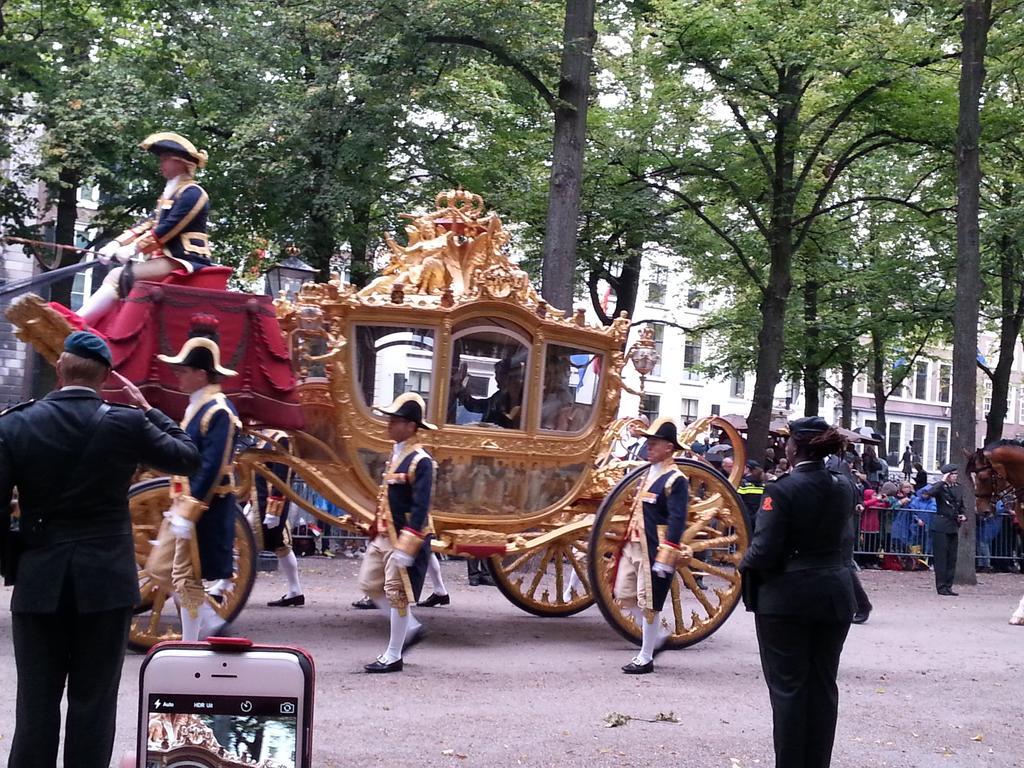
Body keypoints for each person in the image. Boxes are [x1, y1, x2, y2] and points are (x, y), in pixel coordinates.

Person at [0, 331, 199, 768]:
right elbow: (187, 456)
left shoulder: (14, 423)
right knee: (93, 703)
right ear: (107, 376)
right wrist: (148, 408)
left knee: (35, 704)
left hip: (39, 580)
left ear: (59, 370)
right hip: (105, 583)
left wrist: (13, 561)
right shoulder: (127, 422)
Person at [739, 416, 857, 768]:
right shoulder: (844, 486)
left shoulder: (782, 489)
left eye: (787, 441)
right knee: (823, 687)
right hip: (834, 592)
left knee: (788, 690)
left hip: (787, 598)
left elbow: (764, 549)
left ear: (795, 447)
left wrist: (743, 565)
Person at [144, 315, 241, 641]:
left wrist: (190, 510)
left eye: (183, 371)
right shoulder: (200, 404)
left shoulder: (219, 411)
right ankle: (206, 625)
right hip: (185, 502)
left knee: (184, 576)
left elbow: (212, 465)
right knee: (167, 569)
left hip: (204, 506)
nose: (178, 377)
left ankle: (194, 638)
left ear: (200, 374)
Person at [79, 132, 213, 326]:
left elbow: (168, 228)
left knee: (119, 276)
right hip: (166, 258)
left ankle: (79, 322)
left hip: (183, 260)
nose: (161, 164)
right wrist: (117, 242)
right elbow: (148, 222)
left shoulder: (194, 193)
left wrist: (134, 248)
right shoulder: (169, 195)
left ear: (182, 163)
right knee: (120, 276)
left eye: (166, 159)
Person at [359, 393, 436, 672]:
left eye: (395, 421)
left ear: (411, 426)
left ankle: (393, 654)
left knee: (397, 595)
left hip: (403, 538)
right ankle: (411, 628)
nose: (389, 425)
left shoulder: (421, 460)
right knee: (369, 584)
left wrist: (408, 546)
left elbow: (420, 507)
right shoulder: (396, 454)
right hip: (384, 533)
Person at [612, 417, 689, 674]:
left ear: (669, 447)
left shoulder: (676, 479)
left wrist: (666, 554)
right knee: (623, 593)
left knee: (650, 601)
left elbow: (678, 518)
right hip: (633, 544)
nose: (649, 447)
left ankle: (645, 657)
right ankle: (658, 636)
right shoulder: (648, 472)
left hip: (654, 548)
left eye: (654, 443)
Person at [254, 430, 305, 607]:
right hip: (258, 500)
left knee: (247, 542)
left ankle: (224, 586)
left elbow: (282, 475)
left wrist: (274, 508)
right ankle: (295, 591)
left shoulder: (281, 438)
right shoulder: (264, 437)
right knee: (279, 545)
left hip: (268, 503)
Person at [929, 463, 966, 596]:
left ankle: (948, 585)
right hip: (941, 524)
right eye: (952, 474)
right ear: (947, 476)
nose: (955, 476)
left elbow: (961, 505)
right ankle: (941, 586)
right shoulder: (940, 487)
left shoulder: (959, 488)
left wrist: (963, 514)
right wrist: (942, 481)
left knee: (952, 558)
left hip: (953, 525)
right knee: (941, 557)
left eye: (956, 474)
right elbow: (929, 493)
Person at [738, 459, 766, 533]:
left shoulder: (743, 485)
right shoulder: (763, 486)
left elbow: (736, 500)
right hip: (759, 519)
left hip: (745, 519)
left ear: (747, 469)